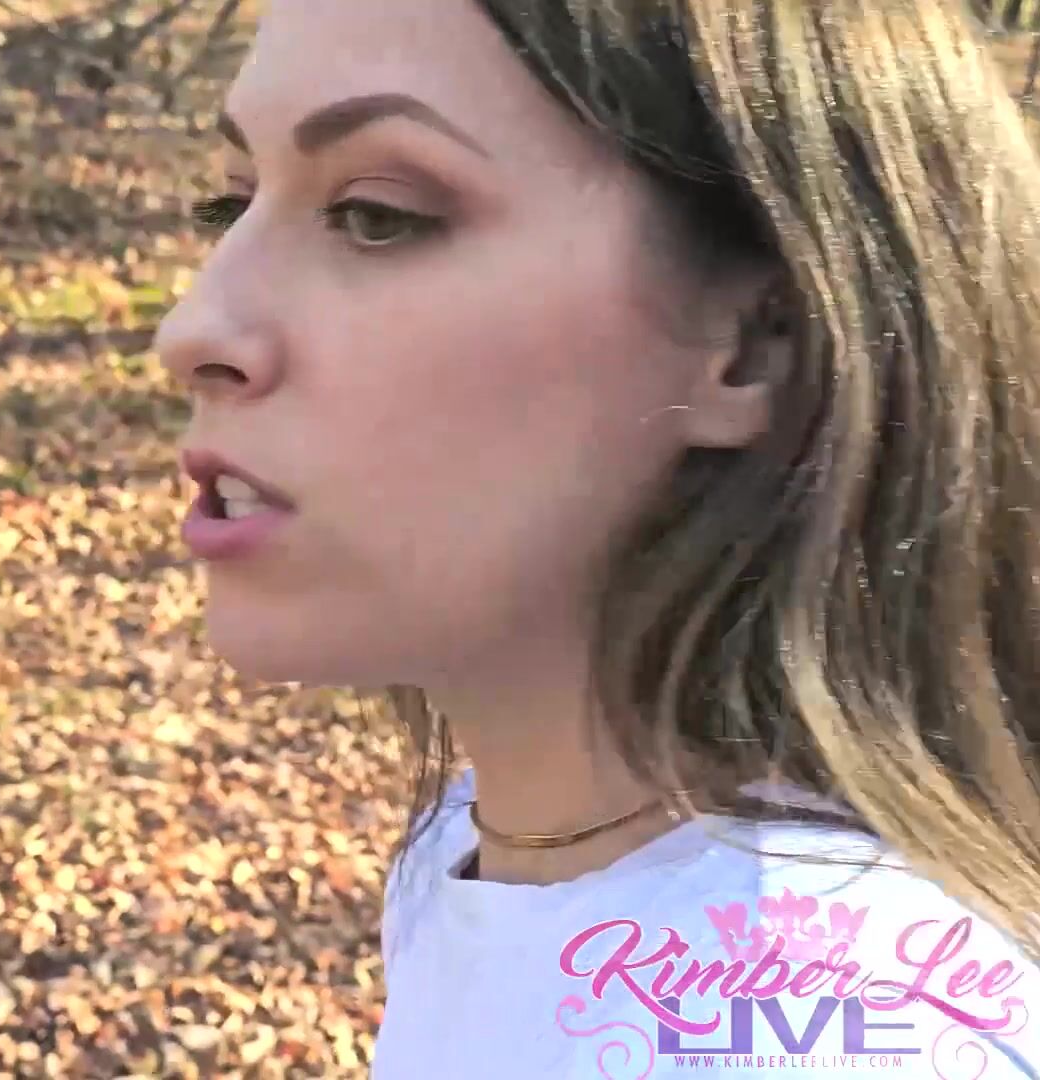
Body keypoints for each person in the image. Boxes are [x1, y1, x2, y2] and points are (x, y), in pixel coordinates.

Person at [156, 0, 1040, 1075]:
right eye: (232, 202)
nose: (192, 329)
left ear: (756, 344)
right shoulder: (492, 852)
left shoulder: (797, 1028)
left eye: (376, 215)